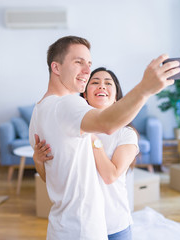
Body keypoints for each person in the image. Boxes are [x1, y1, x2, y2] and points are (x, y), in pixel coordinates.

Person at [28, 35, 180, 239]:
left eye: (88, 64)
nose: (86, 71)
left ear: (116, 95)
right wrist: (145, 88)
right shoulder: (68, 105)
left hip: (63, 228)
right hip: (83, 229)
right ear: (56, 68)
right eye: (78, 62)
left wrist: (38, 161)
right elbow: (107, 124)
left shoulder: (39, 111)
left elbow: (57, 177)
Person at [34, 67, 139, 239]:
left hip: (114, 226)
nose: (102, 86)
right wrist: (38, 161)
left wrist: (90, 136)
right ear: (84, 95)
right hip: (81, 226)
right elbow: (55, 180)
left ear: (116, 97)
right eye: (95, 82)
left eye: (108, 83)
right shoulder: (70, 130)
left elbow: (110, 176)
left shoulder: (126, 134)